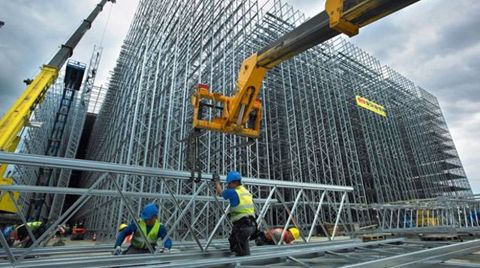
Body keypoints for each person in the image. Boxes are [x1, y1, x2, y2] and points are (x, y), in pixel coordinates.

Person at [213, 171, 257, 256]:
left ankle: (240, 262)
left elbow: (220, 193)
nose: (228, 185)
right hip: (252, 225)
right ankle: (244, 258)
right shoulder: (246, 191)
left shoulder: (233, 192)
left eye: (229, 183)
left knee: (236, 246)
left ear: (235, 182)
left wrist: (216, 182)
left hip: (242, 226)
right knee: (239, 244)